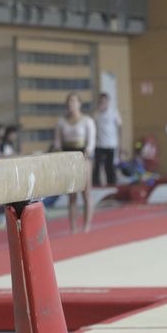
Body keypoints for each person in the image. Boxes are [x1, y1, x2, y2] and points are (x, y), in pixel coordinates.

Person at [53, 93, 97, 233]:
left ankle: (87, 226)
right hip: (68, 159)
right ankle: (73, 227)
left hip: (83, 157)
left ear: (79, 104)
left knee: (86, 193)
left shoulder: (87, 121)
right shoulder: (61, 122)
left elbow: (91, 142)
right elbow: (57, 143)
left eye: (73, 101)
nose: (71, 104)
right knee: (72, 195)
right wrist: (60, 156)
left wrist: (86, 154)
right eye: (69, 102)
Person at [93, 91, 123, 187]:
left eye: (105, 102)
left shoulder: (114, 112)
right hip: (99, 144)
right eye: (101, 102)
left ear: (108, 102)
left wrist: (120, 144)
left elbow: (120, 127)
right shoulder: (96, 113)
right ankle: (96, 185)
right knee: (97, 166)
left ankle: (112, 184)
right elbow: (92, 127)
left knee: (110, 167)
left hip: (111, 144)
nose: (103, 103)